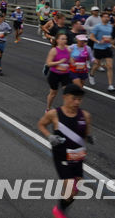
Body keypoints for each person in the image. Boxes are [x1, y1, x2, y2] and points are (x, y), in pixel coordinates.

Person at [37, 84, 92, 218]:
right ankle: (60, 212)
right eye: (74, 99)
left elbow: (85, 134)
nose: (77, 102)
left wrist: (89, 137)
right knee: (70, 189)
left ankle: (60, 208)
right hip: (61, 156)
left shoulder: (85, 115)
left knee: (76, 191)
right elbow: (41, 124)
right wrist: (49, 136)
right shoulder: (54, 114)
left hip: (78, 157)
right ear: (65, 97)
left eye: (79, 99)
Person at [88, 11, 115, 92]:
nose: (107, 18)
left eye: (108, 17)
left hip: (107, 48)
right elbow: (91, 37)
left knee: (110, 66)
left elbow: (109, 37)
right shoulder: (97, 27)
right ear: (101, 18)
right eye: (105, 16)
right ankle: (91, 74)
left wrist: (111, 43)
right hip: (98, 48)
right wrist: (98, 41)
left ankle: (110, 85)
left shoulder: (110, 26)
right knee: (97, 65)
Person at [45, 33, 73, 110]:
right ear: (57, 40)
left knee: (67, 93)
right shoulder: (54, 50)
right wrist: (59, 62)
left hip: (65, 74)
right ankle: (48, 108)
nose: (65, 40)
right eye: (62, 39)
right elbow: (48, 63)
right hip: (54, 75)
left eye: (65, 39)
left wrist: (74, 62)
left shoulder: (68, 50)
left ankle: (65, 109)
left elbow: (70, 61)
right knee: (53, 93)